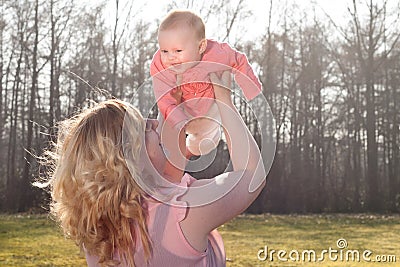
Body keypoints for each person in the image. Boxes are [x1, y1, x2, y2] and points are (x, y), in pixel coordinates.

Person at [37, 71, 266, 266]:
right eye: (145, 128)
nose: (155, 124)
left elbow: (162, 175)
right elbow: (252, 176)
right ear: (131, 160)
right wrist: (223, 98)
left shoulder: (97, 231)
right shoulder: (184, 210)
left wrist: (172, 108)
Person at [151, 10, 262, 157]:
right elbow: (163, 97)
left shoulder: (217, 53)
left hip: (208, 109)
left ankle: (196, 147)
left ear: (201, 46)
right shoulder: (160, 65)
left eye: (178, 50)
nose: (170, 57)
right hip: (180, 107)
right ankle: (161, 160)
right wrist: (178, 121)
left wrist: (250, 88)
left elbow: (239, 60)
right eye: (164, 50)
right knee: (163, 127)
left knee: (205, 142)